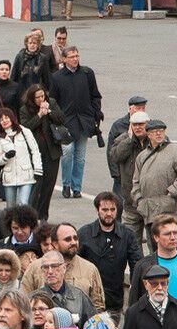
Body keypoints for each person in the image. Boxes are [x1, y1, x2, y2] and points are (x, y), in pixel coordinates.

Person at [77, 192, 142, 319]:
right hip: (89, 300)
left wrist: (135, 288)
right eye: (105, 209)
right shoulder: (84, 234)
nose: (109, 213)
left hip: (114, 300)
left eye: (112, 209)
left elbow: (136, 263)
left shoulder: (127, 234)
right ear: (97, 210)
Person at [132, 119, 177, 251]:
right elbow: (135, 182)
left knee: (173, 250)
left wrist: (170, 193)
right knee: (155, 251)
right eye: (155, 132)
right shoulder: (142, 156)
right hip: (149, 211)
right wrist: (139, 199)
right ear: (148, 134)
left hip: (171, 211)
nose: (159, 134)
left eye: (161, 131)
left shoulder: (175, 151)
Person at [49, 46, 102, 199]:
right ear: (64, 59)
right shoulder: (57, 77)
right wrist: (57, 118)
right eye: (71, 56)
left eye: (77, 56)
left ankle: (76, 187)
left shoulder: (87, 73)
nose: (75, 59)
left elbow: (95, 95)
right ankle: (66, 185)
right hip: (66, 122)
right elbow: (53, 100)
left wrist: (95, 113)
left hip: (84, 120)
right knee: (67, 152)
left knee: (80, 156)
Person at [23, 223, 105, 311]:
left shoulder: (90, 269)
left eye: (75, 238)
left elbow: (98, 307)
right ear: (55, 244)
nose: (73, 242)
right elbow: (24, 302)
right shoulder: (35, 267)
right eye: (68, 239)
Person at [21, 85, 67, 220]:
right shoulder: (25, 110)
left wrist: (50, 111)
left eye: (43, 96)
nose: (41, 99)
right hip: (35, 153)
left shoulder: (51, 103)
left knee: (49, 185)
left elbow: (61, 119)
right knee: (37, 185)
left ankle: (43, 216)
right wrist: (39, 115)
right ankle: (32, 215)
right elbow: (26, 128)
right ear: (32, 98)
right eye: (38, 97)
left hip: (51, 150)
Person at [110, 110, 152, 247]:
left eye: (141, 124)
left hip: (151, 203)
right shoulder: (124, 140)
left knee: (154, 244)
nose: (138, 127)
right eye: (135, 124)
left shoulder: (156, 141)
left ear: (148, 125)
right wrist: (129, 140)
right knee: (131, 245)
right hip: (130, 203)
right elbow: (115, 156)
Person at [32, 250, 97, 327]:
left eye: (54, 266)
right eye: (45, 267)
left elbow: (93, 324)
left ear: (64, 268)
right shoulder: (33, 299)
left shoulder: (78, 295)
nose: (50, 271)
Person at [0, 108, 42, 207]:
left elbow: (35, 150)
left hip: (26, 174)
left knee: (23, 204)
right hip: (9, 177)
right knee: (10, 207)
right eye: (1, 119)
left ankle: (24, 223)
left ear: (12, 118)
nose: (4, 121)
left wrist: (38, 169)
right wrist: (6, 157)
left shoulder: (24, 131)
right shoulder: (0, 138)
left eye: (6, 118)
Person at [107, 95, 148, 196]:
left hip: (142, 177)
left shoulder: (149, 125)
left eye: (143, 108)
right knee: (119, 204)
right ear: (130, 109)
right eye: (138, 108)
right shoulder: (118, 125)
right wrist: (116, 175)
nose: (141, 111)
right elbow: (111, 152)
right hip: (122, 176)